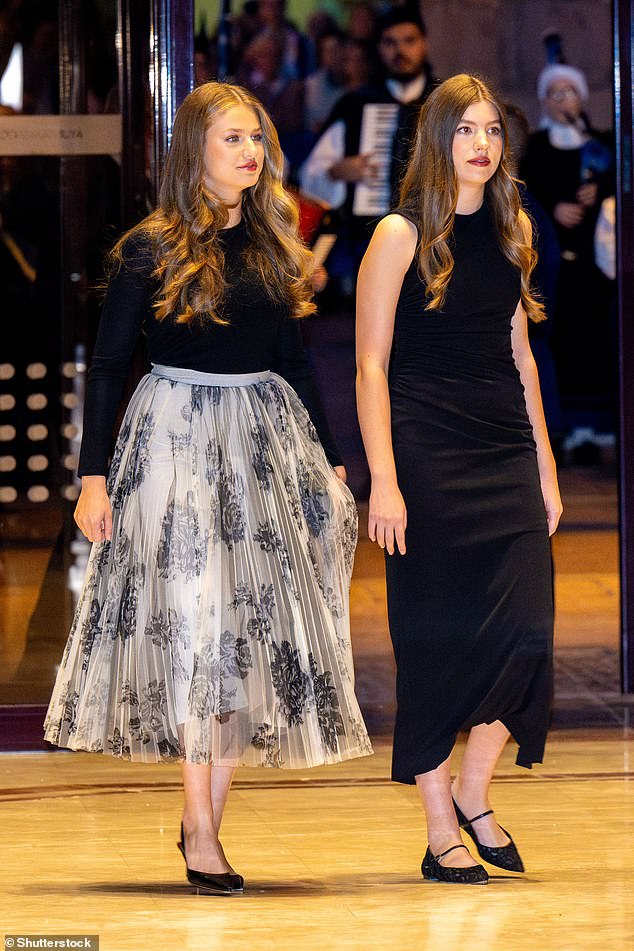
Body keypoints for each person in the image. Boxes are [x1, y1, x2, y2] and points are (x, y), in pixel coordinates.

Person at [44, 82, 372, 895]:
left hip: (263, 436)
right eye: (233, 139)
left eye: (256, 138)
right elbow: (110, 365)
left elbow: (295, 362)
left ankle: (203, 823)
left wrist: (331, 460)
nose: (251, 153)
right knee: (196, 625)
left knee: (240, 632)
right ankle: (203, 831)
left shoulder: (272, 239)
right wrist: (92, 476)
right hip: (176, 440)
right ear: (196, 150)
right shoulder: (149, 249)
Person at [356, 74, 561, 885]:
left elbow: (519, 355)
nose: (482, 143)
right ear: (438, 140)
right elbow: (370, 365)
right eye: (465, 129)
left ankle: (476, 788)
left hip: (504, 446)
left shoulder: (511, 228)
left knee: (527, 635)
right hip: (425, 452)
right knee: (436, 641)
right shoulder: (400, 233)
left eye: (493, 131)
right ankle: (440, 821)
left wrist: (543, 458)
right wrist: (385, 478)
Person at [299, 6, 437, 282]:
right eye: (390, 42)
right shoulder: (355, 105)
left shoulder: (443, 101)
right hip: (367, 241)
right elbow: (307, 178)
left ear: (425, 44)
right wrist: (337, 170)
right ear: (379, 49)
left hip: (434, 239)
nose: (400, 51)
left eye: (409, 40)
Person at [520, 63, 613, 419]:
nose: (563, 100)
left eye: (569, 92)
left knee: (593, 342)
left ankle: (592, 428)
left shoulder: (598, 142)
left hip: (592, 261)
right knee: (560, 342)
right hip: (553, 258)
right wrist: (554, 207)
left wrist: (600, 189)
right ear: (544, 102)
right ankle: (562, 425)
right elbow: (529, 189)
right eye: (555, 94)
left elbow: (618, 176)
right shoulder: (538, 148)